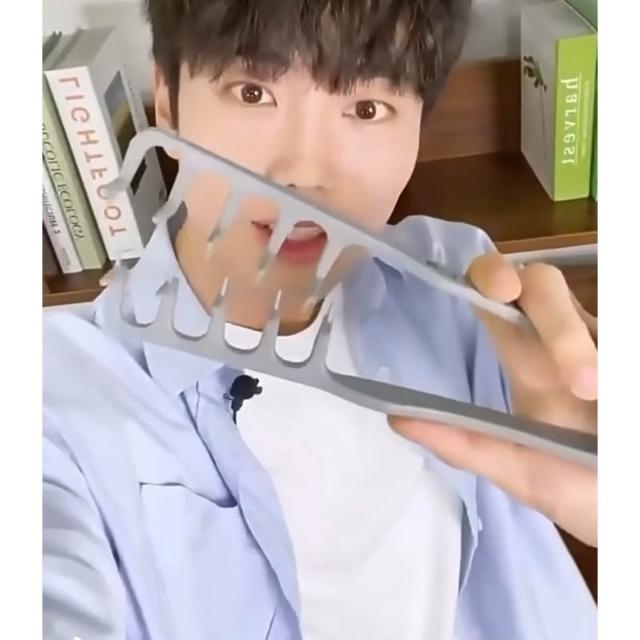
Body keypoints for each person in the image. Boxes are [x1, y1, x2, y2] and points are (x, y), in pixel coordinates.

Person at [43, 1, 597, 639]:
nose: (303, 173)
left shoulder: (463, 287)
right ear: (167, 101)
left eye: (366, 108)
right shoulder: (57, 399)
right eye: (252, 93)